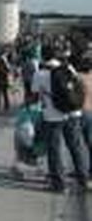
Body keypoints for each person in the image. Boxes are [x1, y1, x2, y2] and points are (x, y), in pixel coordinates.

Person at [31, 49, 89, 192]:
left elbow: (34, 95)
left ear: (43, 57)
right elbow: (79, 86)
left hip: (52, 117)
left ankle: (59, 184)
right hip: (73, 114)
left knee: (54, 149)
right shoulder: (69, 68)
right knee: (76, 146)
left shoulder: (40, 73)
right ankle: (84, 180)